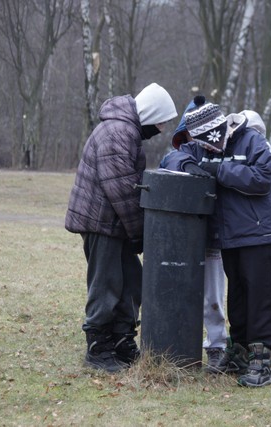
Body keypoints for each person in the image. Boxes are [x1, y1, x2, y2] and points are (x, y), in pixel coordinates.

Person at [160, 96, 271, 387]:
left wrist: (219, 171)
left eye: (205, 142)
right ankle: (239, 350)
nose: (204, 149)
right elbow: (171, 156)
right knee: (237, 296)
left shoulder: (251, 141)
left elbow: (263, 176)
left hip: (257, 234)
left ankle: (261, 357)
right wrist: (189, 166)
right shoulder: (202, 145)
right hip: (228, 236)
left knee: (259, 297)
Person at [65, 83, 177, 373]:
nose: (162, 129)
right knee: (106, 285)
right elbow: (123, 192)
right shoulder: (117, 133)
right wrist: (140, 234)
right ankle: (98, 348)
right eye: (161, 121)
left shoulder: (126, 130)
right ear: (150, 114)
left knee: (131, 281)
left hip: (114, 225)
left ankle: (122, 341)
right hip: (101, 222)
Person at [159, 97, 229, 372]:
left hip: (213, 236)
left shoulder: (221, 151)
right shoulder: (185, 152)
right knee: (181, 292)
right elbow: (170, 159)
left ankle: (216, 345)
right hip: (186, 237)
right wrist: (188, 166)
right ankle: (177, 342)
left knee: (213, 297)